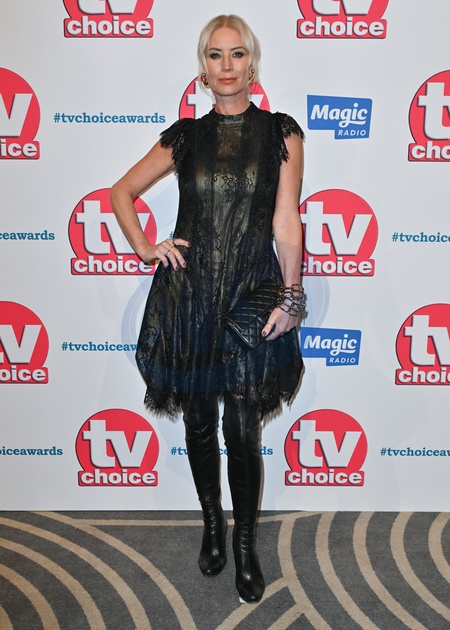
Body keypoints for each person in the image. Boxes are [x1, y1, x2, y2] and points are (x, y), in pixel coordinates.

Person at [111, 14, 305, 604]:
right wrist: (147, 246)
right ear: (203, 67)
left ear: (252, 63)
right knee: (198, 422)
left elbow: (286, 219)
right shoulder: (185, 136)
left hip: (250, 296)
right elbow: (121, 192)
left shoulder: (280, 133)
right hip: (190, 297)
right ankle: (212, 525)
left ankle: (244, 543)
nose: (227, 65)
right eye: (215, 55)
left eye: (237, 54)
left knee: (242, 430)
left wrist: (292, 296)